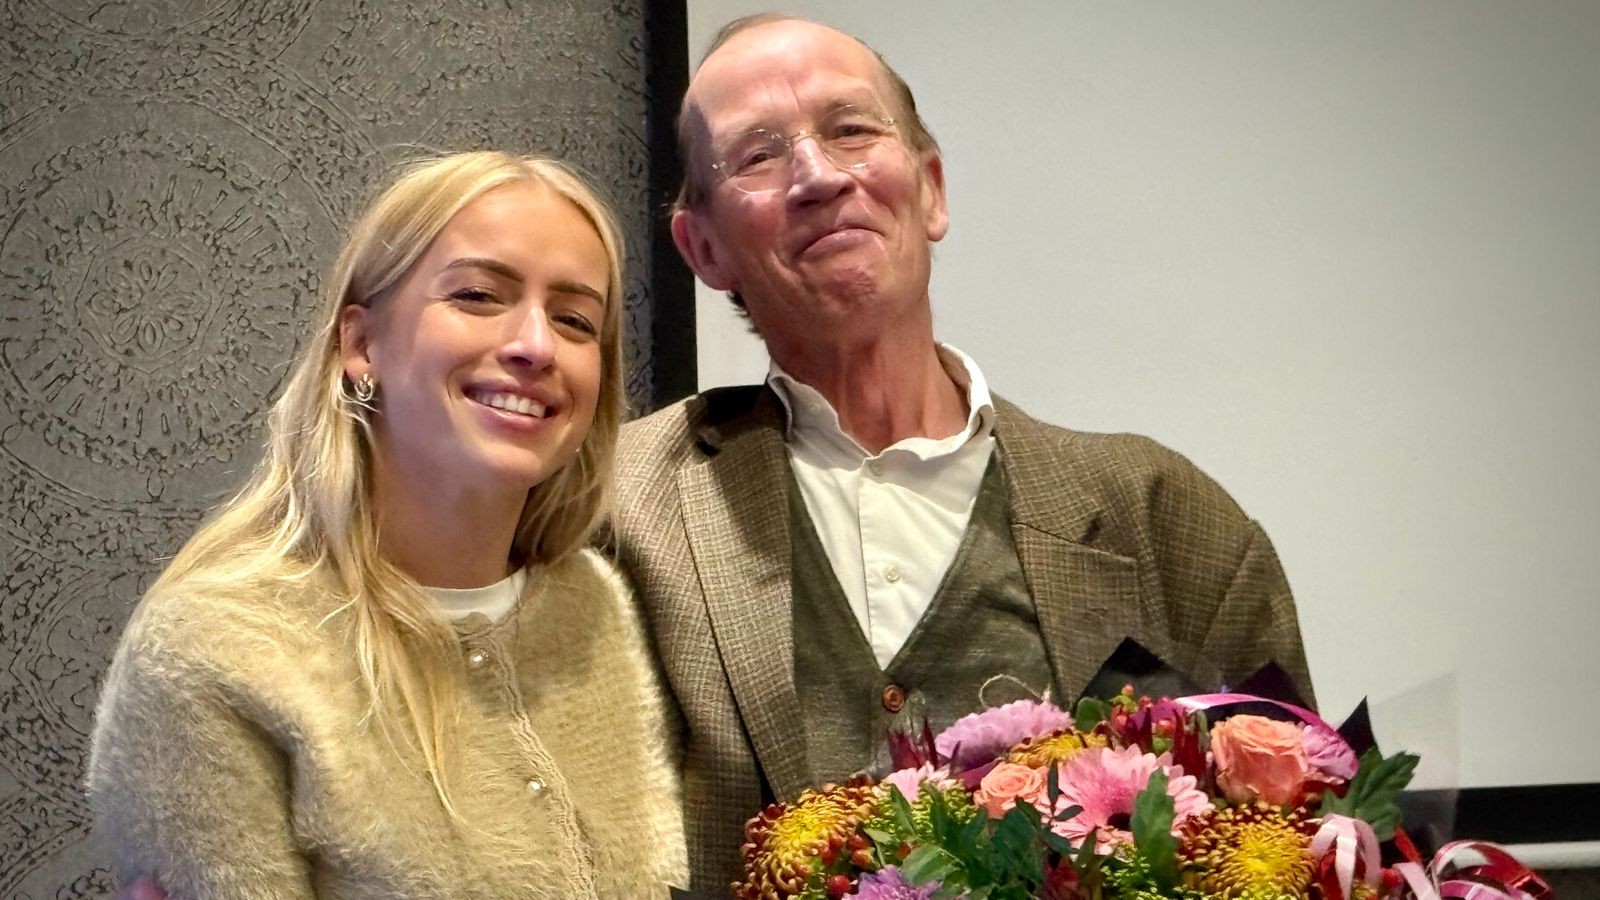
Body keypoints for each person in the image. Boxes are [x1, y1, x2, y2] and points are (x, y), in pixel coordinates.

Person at [610, 14, 1316, 892]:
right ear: (704, 248)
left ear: (932, 189)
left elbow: (1298, 849)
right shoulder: (614, 507)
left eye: (851, 130)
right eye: (757, 156)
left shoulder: (1165, 521)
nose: (819, 177)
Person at [88, 151, 686, 898]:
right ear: (361, 344)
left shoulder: (595, 608)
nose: (535, 345)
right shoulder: (213, 651)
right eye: (477, 295)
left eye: (574, 320)